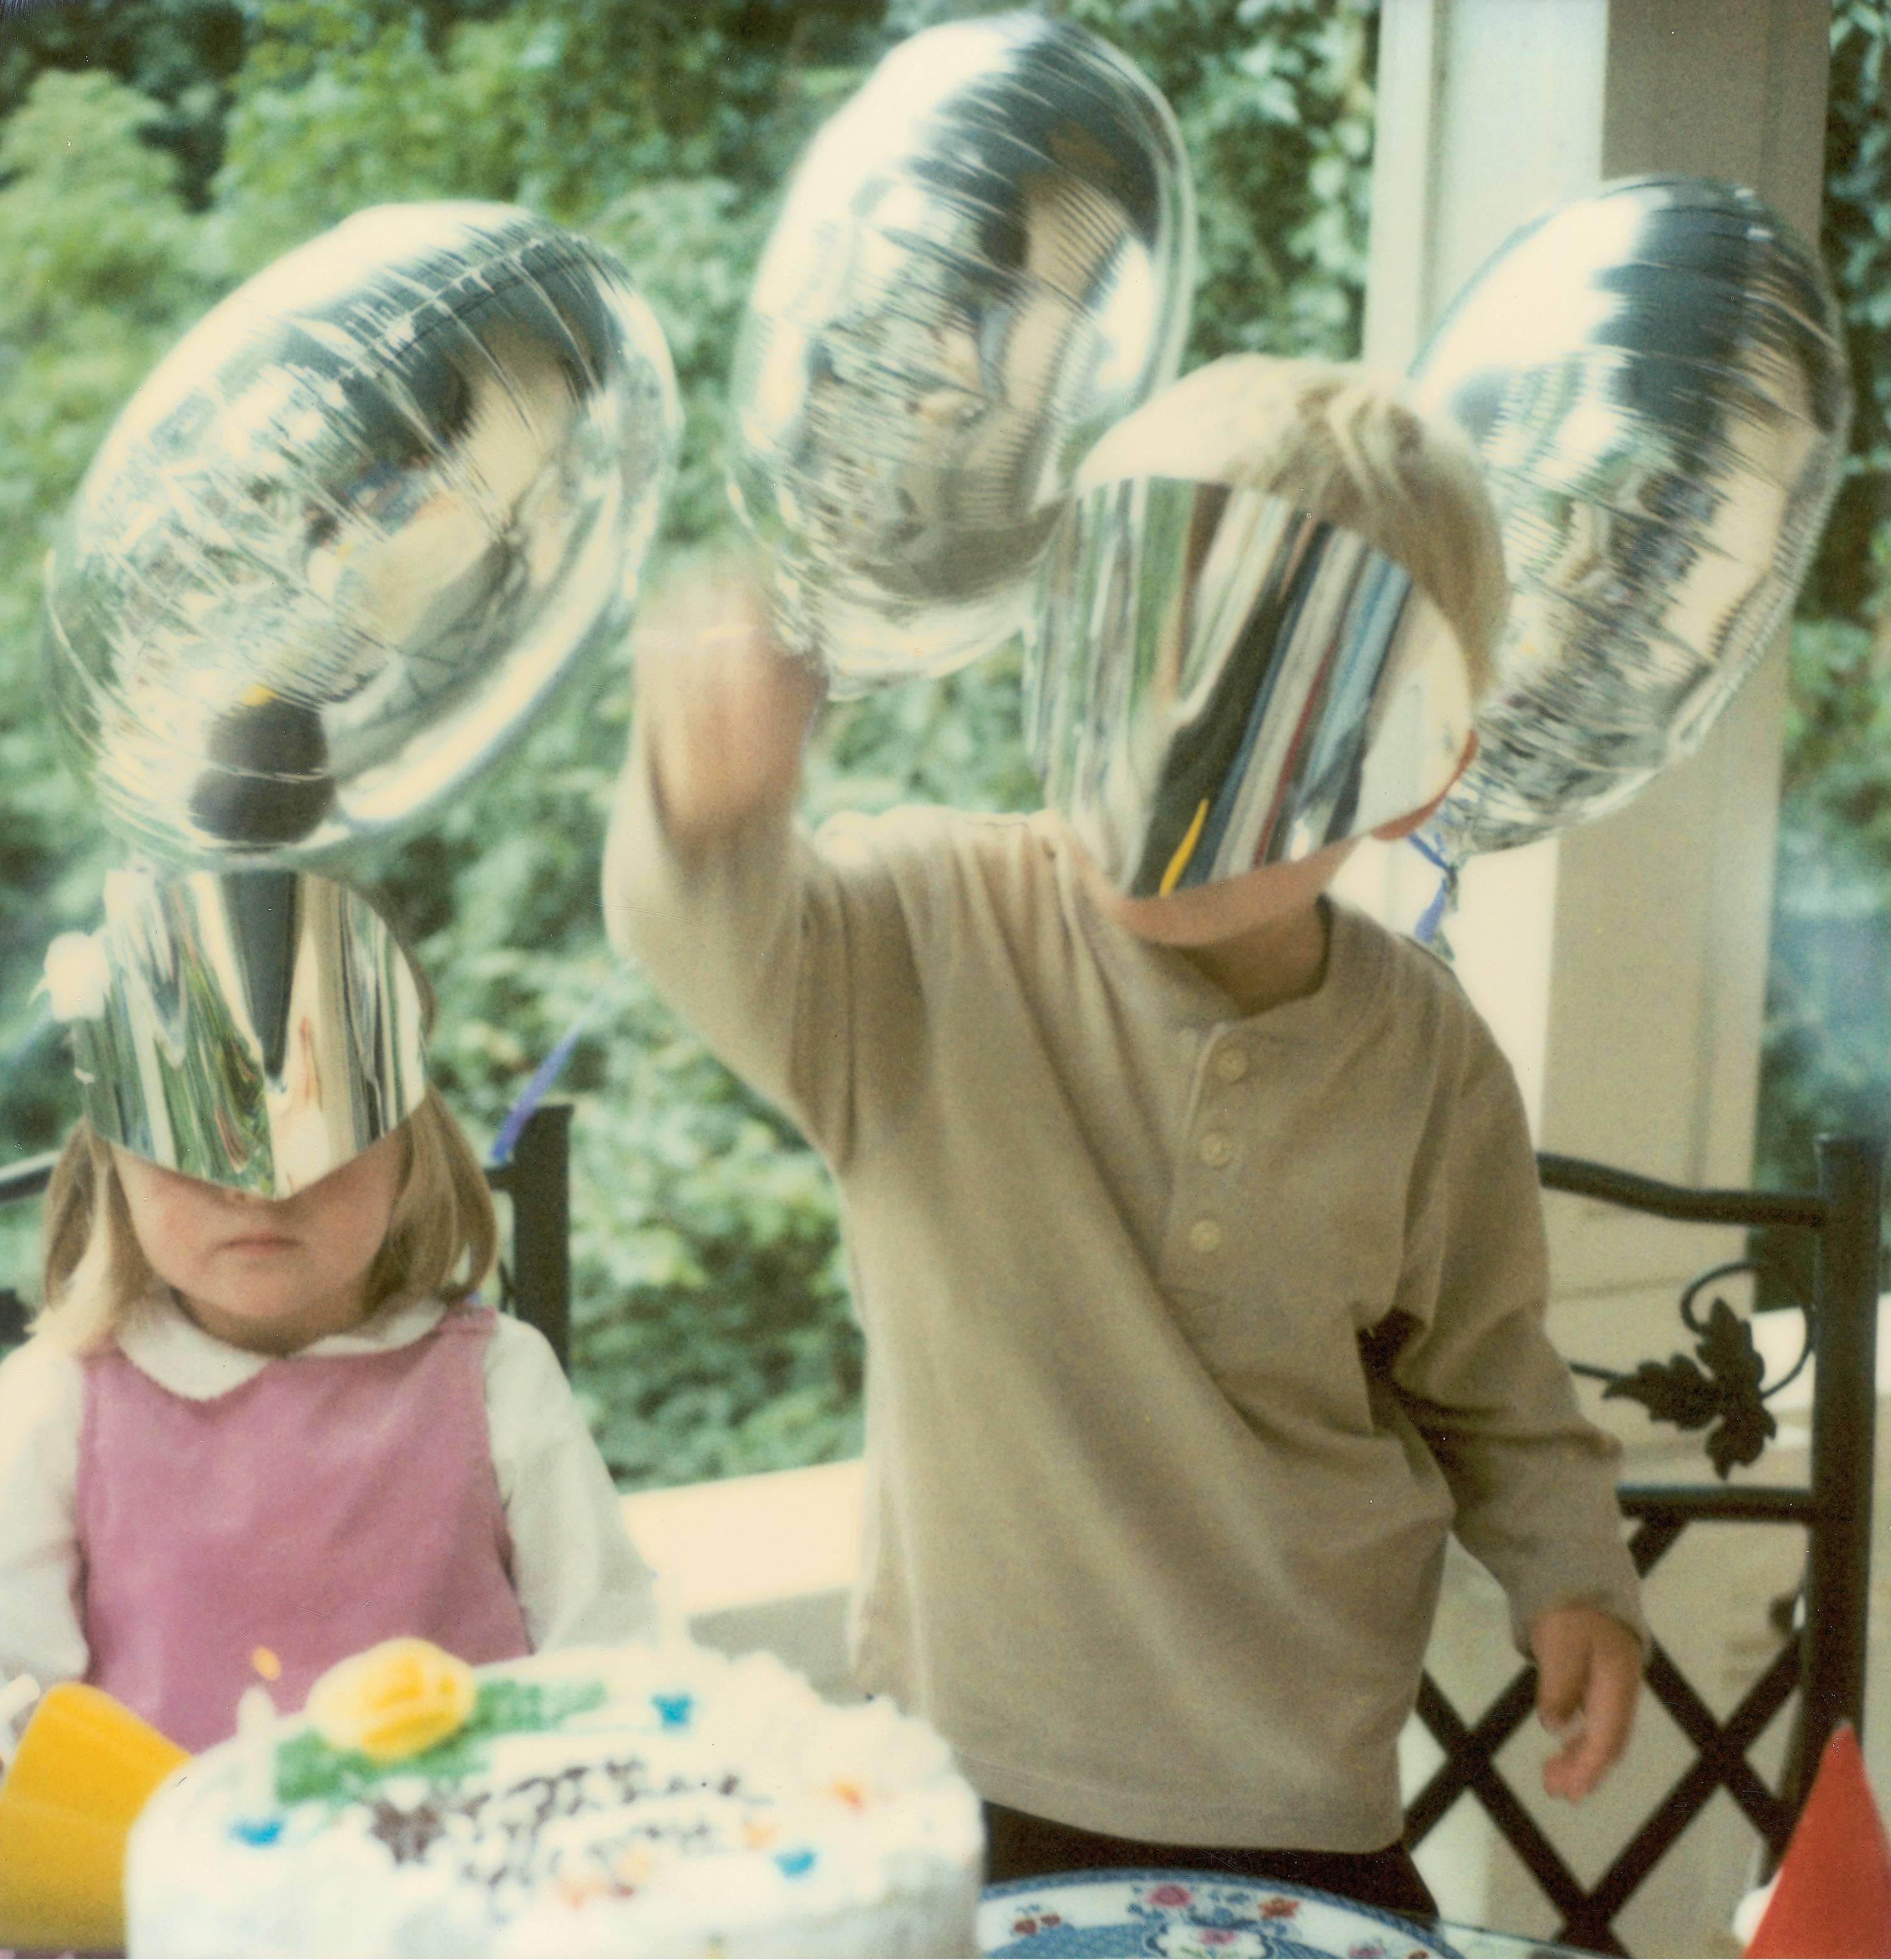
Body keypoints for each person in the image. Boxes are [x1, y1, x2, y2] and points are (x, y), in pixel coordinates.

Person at [604, 354, 1645, 1918]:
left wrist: (1575, 1571)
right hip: (959, 1773)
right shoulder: (927, 935)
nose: (1159, 772)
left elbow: (1492, 1375)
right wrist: (704, 806)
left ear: (1413, 773)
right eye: (1132, 679)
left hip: (1301, 1785)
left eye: (1254, 737)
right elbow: (718, 937)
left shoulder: (1430, 1060)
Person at [0, 869, 657, 1757]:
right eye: (197, 1135)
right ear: (118, 1157)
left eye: (318, 1125)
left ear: (406, 1147)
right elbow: (14, 1716)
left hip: (472, 1868)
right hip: (171, 1885)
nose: (258, 1188)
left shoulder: (502, 1381)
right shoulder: (56, 1405)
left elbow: (619, 1663)